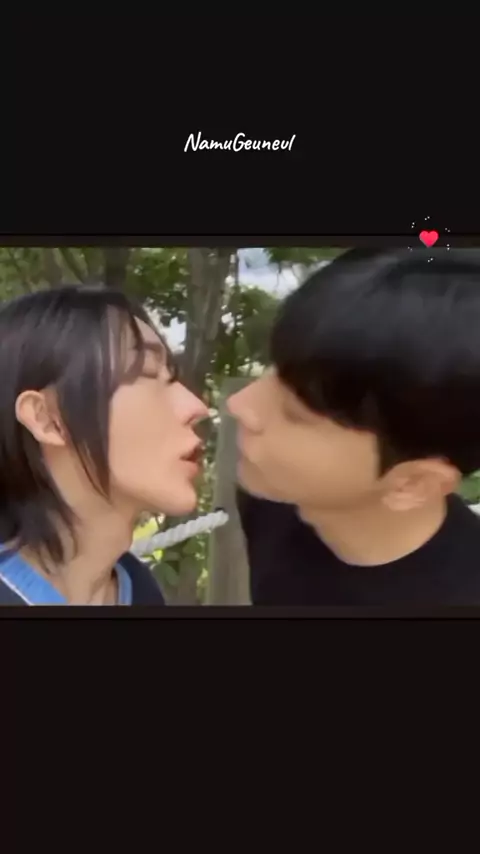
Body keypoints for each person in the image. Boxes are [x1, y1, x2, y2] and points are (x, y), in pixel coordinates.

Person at [227, 247, 480, 605]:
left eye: (295, 413)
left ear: (411, 484)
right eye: (273, 372)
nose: (240, 405)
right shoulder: (274, 500)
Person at [0, 285, 208, 605]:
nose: (196, 407)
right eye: (146, 371)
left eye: (172, 376)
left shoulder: (140, 591)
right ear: (48, 419)